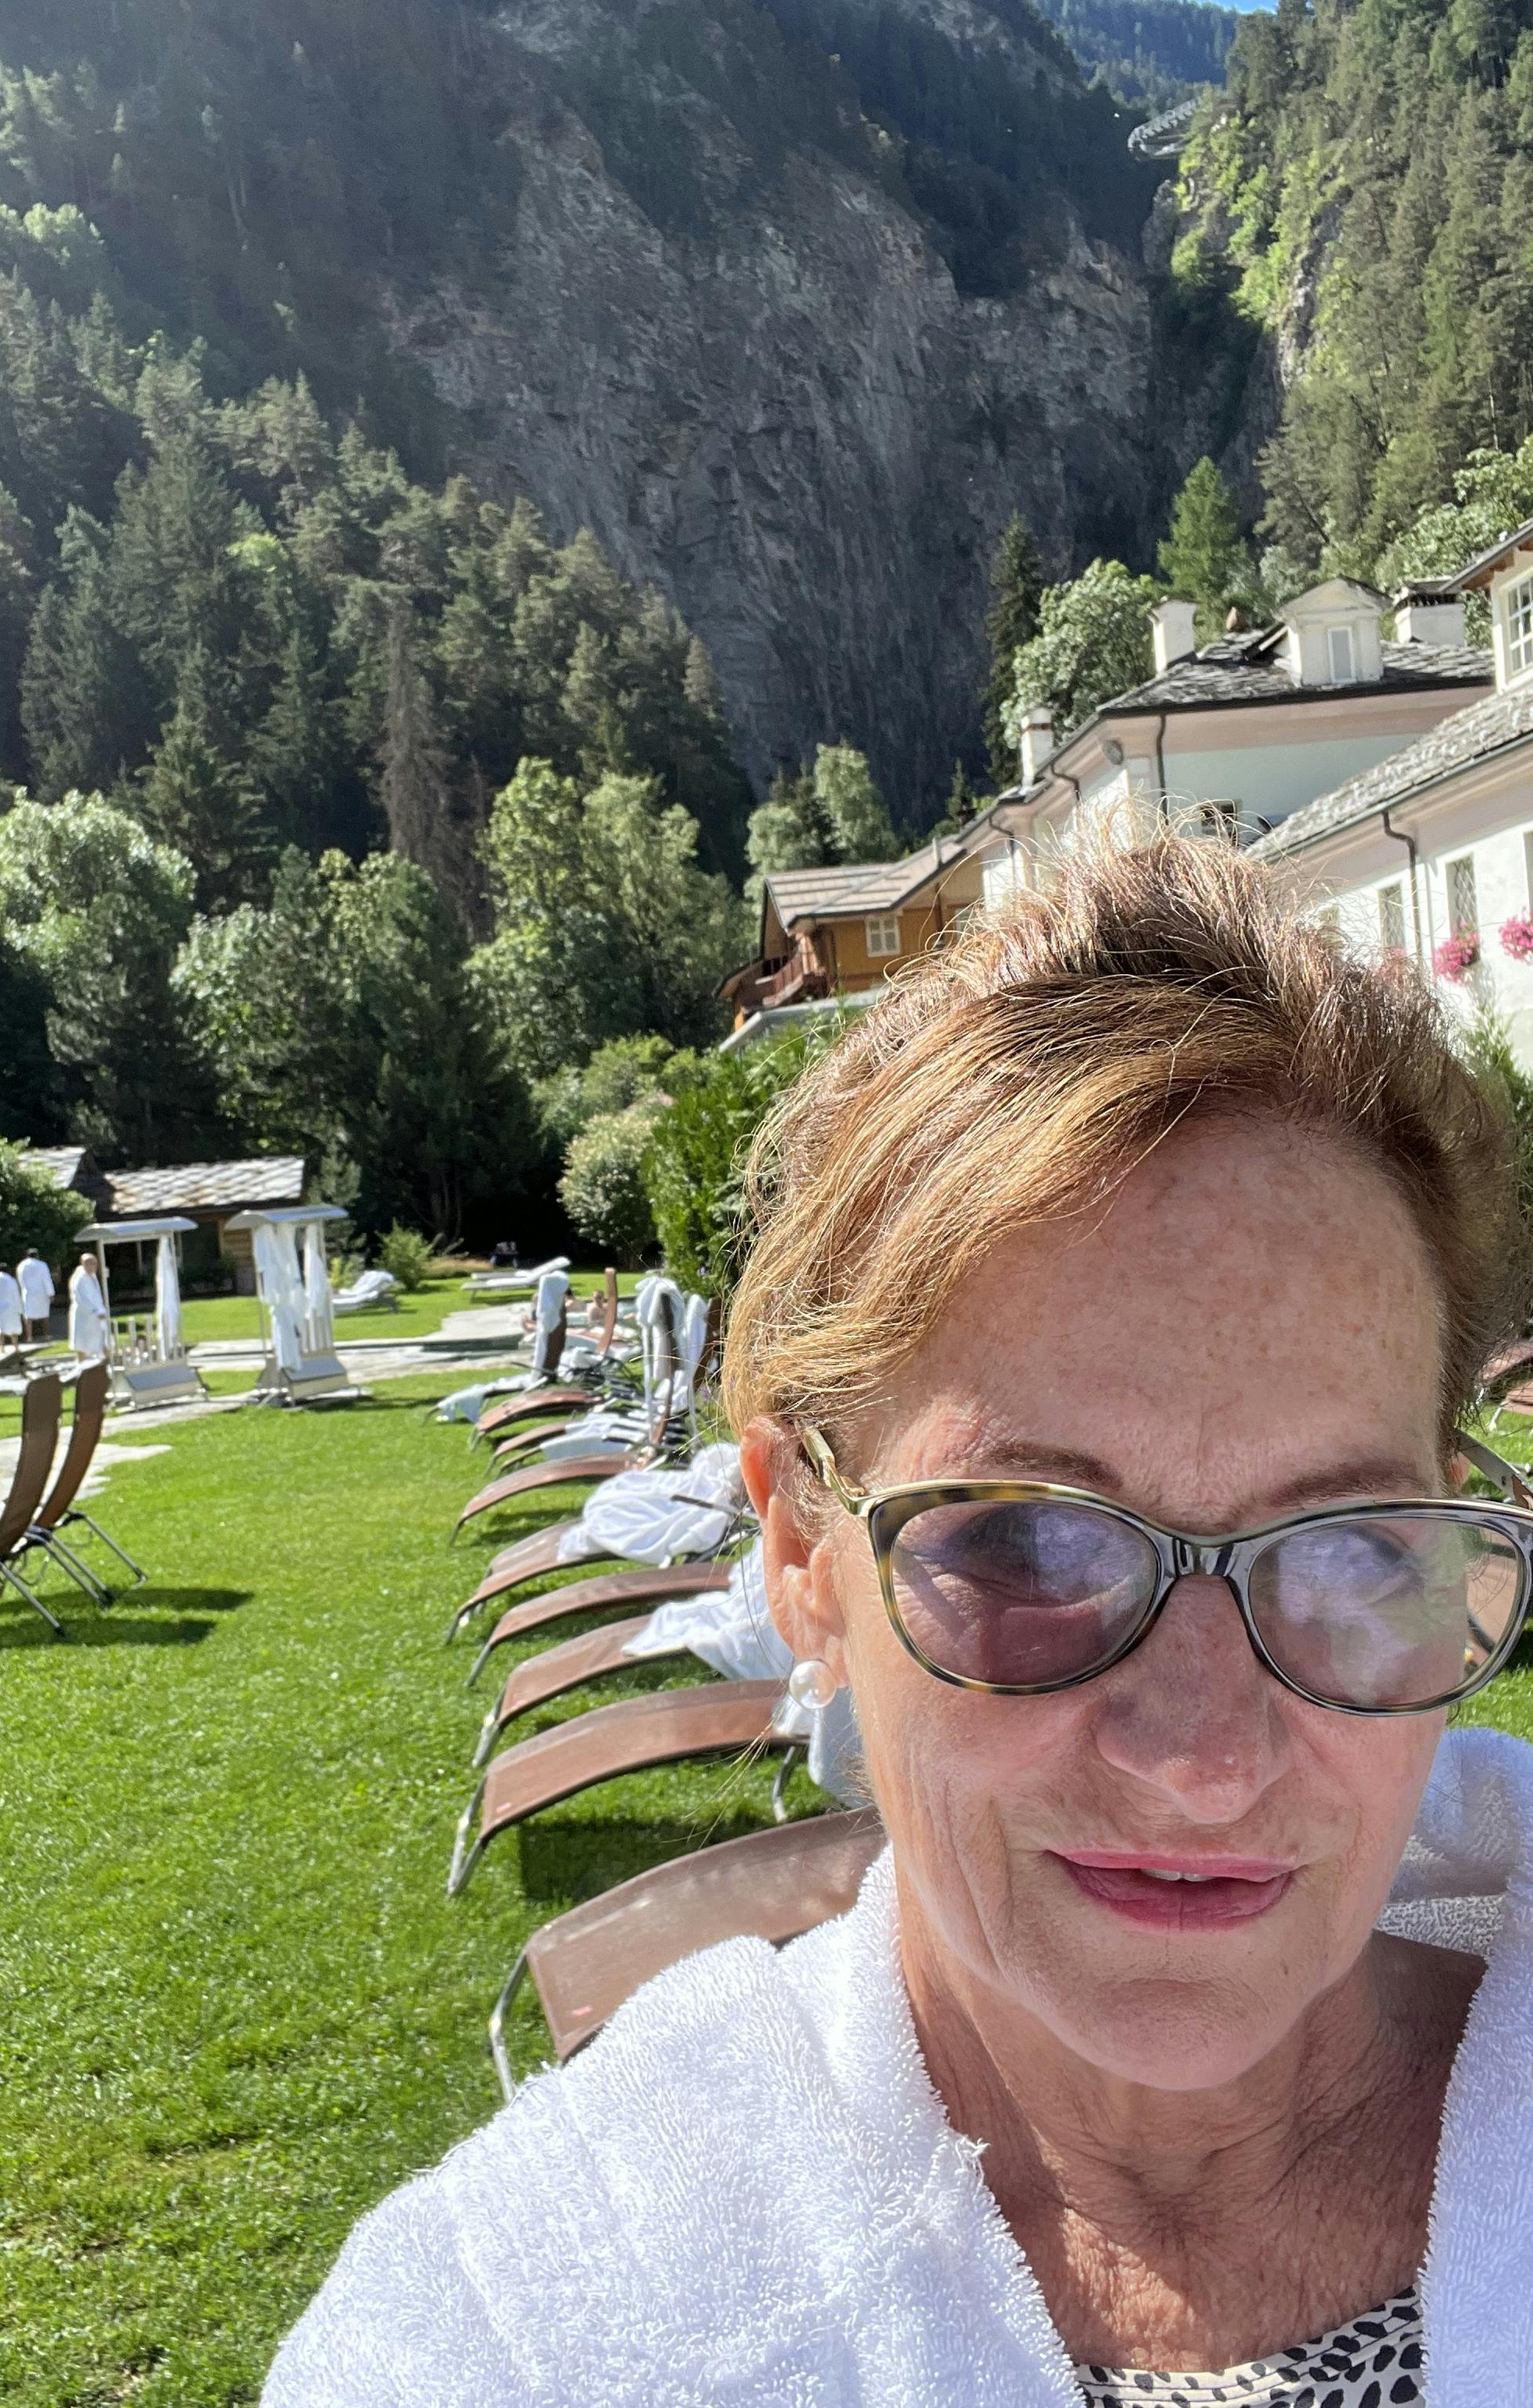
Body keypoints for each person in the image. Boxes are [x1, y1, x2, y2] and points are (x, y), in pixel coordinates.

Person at [264, 833, 1533, 2406]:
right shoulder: (512, 2338)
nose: (1203, 1758)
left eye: (1345, 1549)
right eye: (1028, 1544)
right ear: (804, 1548)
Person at [68, 1252, 108, 1360]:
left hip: (97, 1315)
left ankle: (105, 1363)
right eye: (89, 1263)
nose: (92, 1266)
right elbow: (82, 1298)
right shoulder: (80, 1279)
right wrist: (96, 1311)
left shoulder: (93, 1277)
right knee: (82, 1343)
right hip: (84, 1315)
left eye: (94, 1263)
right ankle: (81, 1364)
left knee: (103, 1340)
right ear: (83, 1264)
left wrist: (100, 1310)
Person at [16, 1245, 56, 1340]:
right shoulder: (42, 1265)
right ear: (37, 1255)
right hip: (42, 1293)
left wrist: (23, 1290)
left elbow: (20, 1281)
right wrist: (51, 1293)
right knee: (45, 1314)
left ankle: (29, 1337)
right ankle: (46, 1335)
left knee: (28, 1315)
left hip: (28, 1293)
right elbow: (47, 1280)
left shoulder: (21, 1266)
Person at [0, 1261, 23, 1345]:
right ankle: (16, 1346)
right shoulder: (12, 1280)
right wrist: (19, 1309)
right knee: (14, 1327)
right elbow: (16, 1295)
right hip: (12, 1307)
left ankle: (2, 1346)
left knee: (0, 1327)